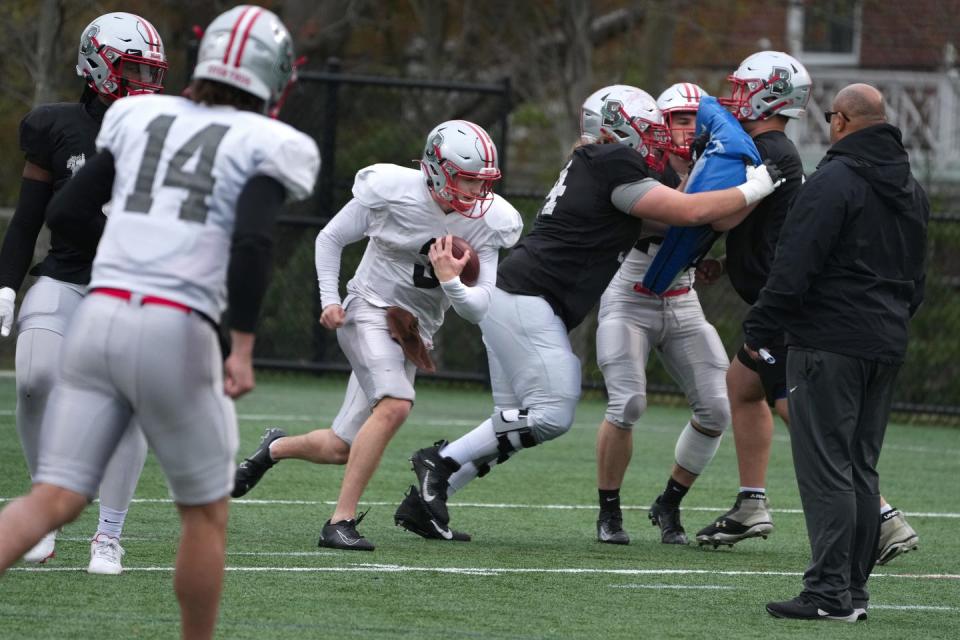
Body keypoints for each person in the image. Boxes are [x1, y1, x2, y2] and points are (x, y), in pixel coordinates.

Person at [0, 5, 318, 639]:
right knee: (204, 516)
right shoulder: (273, 142)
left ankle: (91, 535)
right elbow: (254, 247)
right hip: (174, 325)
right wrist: (243, 346)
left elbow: (66, 205)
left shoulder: (141, 116)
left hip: (100, 317)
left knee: (52, 499)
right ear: (273, 79)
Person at [401, 88, 783, 537]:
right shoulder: (613, 164)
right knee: (552, 414)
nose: (656, 140)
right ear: (618, 129)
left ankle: (423, 505)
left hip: (519, 296)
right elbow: (689, 209)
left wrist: (732, 195)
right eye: (649, 130)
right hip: (528, 298)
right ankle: (439, 463)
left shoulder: (596, 167)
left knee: (509, 430)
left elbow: (692, 218)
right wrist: (756, 184)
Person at [230, 120, 523, 550]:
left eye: (483, 182)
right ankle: (339, 522)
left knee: (340, 447)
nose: (477, 192)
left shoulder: (490, 220)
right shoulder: (391, 191)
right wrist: (329, 298)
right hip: (369, 309)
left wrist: (452, 281)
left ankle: (272, 449)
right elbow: (330, 238)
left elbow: (478, 306)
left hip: (412, 334)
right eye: (467, 179)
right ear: (438, 169)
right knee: (396, 404)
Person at [694, 52, 920, 565]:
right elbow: (774, 235)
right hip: (796, 303)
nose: (733, 96)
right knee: (742, 386)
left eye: (743, 87)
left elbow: (771, 238)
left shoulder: (768, 150)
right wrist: (731, 267)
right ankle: (752, 501)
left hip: (793, 310)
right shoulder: (774, 149)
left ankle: (882, 518)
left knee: (809, 419)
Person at [744, 83, 928, 622]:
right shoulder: (912, 189)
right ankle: (851, 593)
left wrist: (760, 326)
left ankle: (827, 593)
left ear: (843, 121)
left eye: (831, 117)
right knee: (861, 469)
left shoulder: (833, 180)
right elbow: (915, 281)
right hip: (885, 341)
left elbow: (795, 263)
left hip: (829, 342)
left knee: (826, 468)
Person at [0, 12, 168, 574]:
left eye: (152, 71)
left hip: (135, 287)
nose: (145, 83)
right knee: (34, 379)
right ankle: (44, 509)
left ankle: (108, 534)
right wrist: (4, 284)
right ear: (97, 65)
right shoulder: (55, 126)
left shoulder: (168, 130)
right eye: (134, 69)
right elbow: (26, 222)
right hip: (68, 276)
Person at [593, 82, 731, 546]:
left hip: (681, 296)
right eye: (678, 118)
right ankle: (608, 511)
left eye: (695, 117)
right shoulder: (638, 163)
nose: (688, 128)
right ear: (659, 121)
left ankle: (669, 502)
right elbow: (678, 216)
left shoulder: (716, 162)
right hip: (630, 292)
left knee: (716, 408)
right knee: (628, 402)